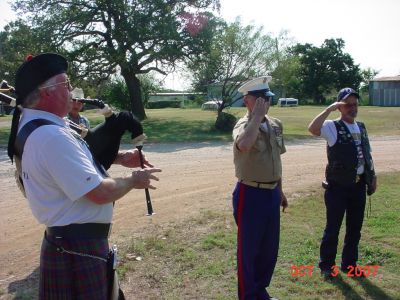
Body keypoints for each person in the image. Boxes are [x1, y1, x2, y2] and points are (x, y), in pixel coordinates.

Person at [7, 53, 161, 299]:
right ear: (47, 92)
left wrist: (119, 158)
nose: (72, 92)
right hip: (77, 249)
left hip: (69, 245)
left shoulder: (40, 127)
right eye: (66, 84)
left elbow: (68, 167)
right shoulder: (51, 136)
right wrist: (134, 180)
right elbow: (99, 193)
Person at [308, 87, 377, 278]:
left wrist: (373, 176)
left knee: (355, 228)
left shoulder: (361, 127)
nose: (352, 108)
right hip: (338, 187)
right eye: (347, 105)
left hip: (358, 186)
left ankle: (349, 265)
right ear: (340, 107)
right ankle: (327, 266)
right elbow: (313, 129)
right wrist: (328, 110)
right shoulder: (332, 126)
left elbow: (367, 154)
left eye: (355, 104)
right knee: (333, 228)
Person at [232, 76, 288, 300]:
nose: (267, 103)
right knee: (249, 250)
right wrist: (256, 117)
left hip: (271, 192)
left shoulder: (275, 124)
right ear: (248, 100)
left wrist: (280, 189)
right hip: (250, 193)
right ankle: (248, 296)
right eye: (262, 99)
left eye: (269, 98)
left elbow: (277, 160)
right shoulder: (243, 125)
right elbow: (244, 145)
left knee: (268, 249)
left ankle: (260, 291)